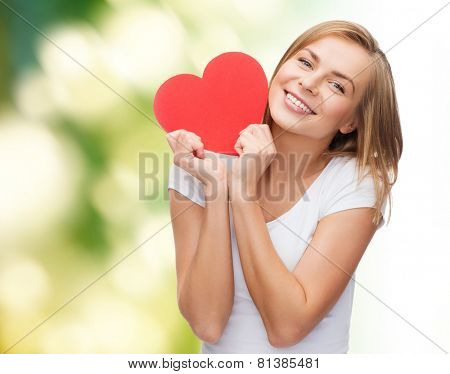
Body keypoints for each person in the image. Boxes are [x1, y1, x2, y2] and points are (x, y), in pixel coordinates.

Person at [165, 20, 402, 354]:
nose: (308, 83)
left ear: (350, 121)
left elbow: (287, 327)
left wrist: (243, 191)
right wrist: (218, 189)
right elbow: (207, 323)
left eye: (337, 86)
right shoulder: (200, 159)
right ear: (282, 66)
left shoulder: (354, 182)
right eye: (305, 62)